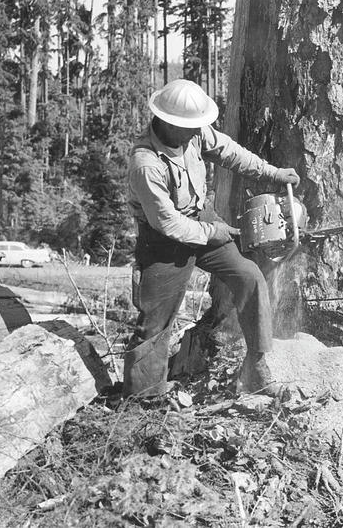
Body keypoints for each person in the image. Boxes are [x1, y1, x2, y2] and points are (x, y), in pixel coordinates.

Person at [124, 79, 299, 398]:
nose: (196, 132)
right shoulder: (145, 163)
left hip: (198, 217)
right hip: (162, 240)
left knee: (249, 277)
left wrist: (272, 173)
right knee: (155, 323)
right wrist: (216, 231)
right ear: (167, 121)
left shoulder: (194, 132)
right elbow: (169, 225)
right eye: (189, 127)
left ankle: (256, 367)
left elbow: (230, 152)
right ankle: (143, 400)